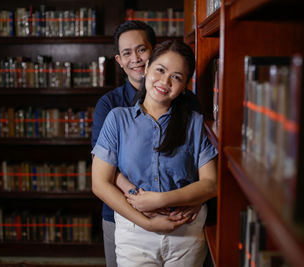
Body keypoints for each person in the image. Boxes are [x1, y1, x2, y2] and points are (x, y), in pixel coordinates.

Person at [91, 40, 218, 266]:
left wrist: (160, 199)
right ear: (148, 66)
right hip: (134, 230)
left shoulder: (195, 123)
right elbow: (100, 183)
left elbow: (211, 184)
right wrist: (147, 223)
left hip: (186, 230)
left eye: (177, 77)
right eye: (160, 70)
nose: (165, 81)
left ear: (185, 86)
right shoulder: (118, 118)